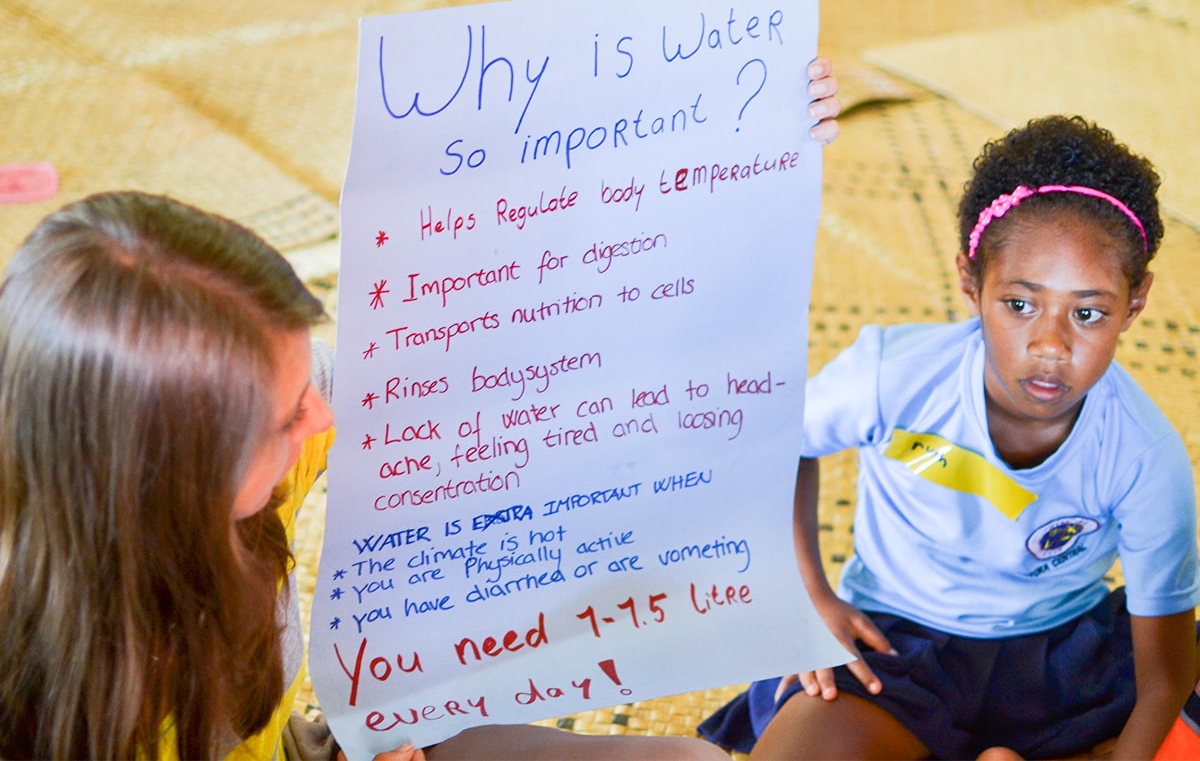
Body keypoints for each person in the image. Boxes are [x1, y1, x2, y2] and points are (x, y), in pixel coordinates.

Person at [0, 61, 839, 759]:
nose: (326, 418)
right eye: (291, 414)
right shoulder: (49, 688)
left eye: (309, 377)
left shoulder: (242, 406)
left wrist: (734, 141)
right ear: (163, 476)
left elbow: (523, 327)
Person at [699, 115, 1200, 760]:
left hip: (1062, 665)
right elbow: (777, 442)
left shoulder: (1147, 459)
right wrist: (809, 599)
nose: (1050, 344)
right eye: (1019, 305)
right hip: (894, 649)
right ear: (971, 282)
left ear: (1134, 307)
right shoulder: (893, 374)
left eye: (1089, 313)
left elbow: (1164, 677)